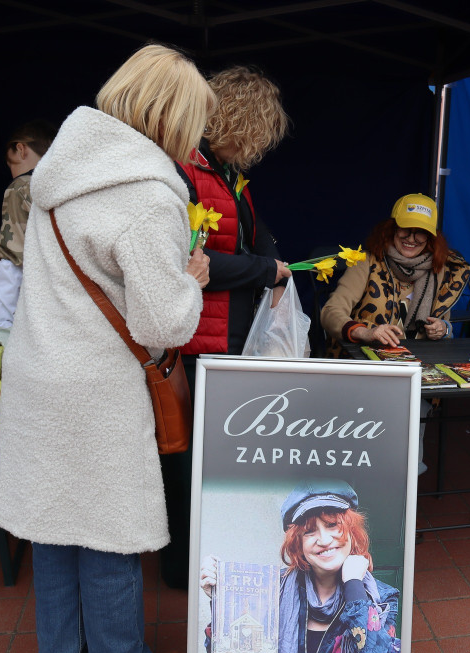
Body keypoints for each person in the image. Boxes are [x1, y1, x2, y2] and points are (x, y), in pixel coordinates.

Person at [0, 44, 215, 653]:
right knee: (111, 527)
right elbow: (163, 324)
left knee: (53, 523)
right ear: (174, 116)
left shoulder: (59, 167)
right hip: (98, 383)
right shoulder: (147, 193)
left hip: (39, 366)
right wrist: (192, 281)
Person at [158, 66, 292, 590]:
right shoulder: (186, 173)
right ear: (240, 121)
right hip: (197, 341)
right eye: (259, 131)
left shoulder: (228, 177)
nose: (260, 145)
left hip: (224, 341)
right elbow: (193, 260)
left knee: (213, 460)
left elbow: (257, 240)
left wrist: (274, 263)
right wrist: (267, 271)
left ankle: (205, 560)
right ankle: (182, 573)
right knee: (188, 463)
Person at [200, 479, 401, 653]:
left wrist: (353, 586)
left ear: (351, 531)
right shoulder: (272, 590)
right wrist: (222, 602)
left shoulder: (384, 597)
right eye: (309, 531)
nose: (323, 540)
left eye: (332, 525)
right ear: (298, 543)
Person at [320, 193, 469, 351]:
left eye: (420, 232)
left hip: (419, 362)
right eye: (405, 229)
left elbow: (445, 321)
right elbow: (330, 312)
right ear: (391, 230)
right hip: (366, 358)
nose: (411, 239)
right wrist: (363, 332)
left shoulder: (438, 270)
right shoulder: (367, 262)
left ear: (431, 238)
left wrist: (443, 329)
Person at [0, 119, 58, 350]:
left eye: (10, 164)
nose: (12, 172)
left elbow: (11, 261)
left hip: (41, 311)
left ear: (20, 149)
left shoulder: (20, 188)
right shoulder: (76, 183)